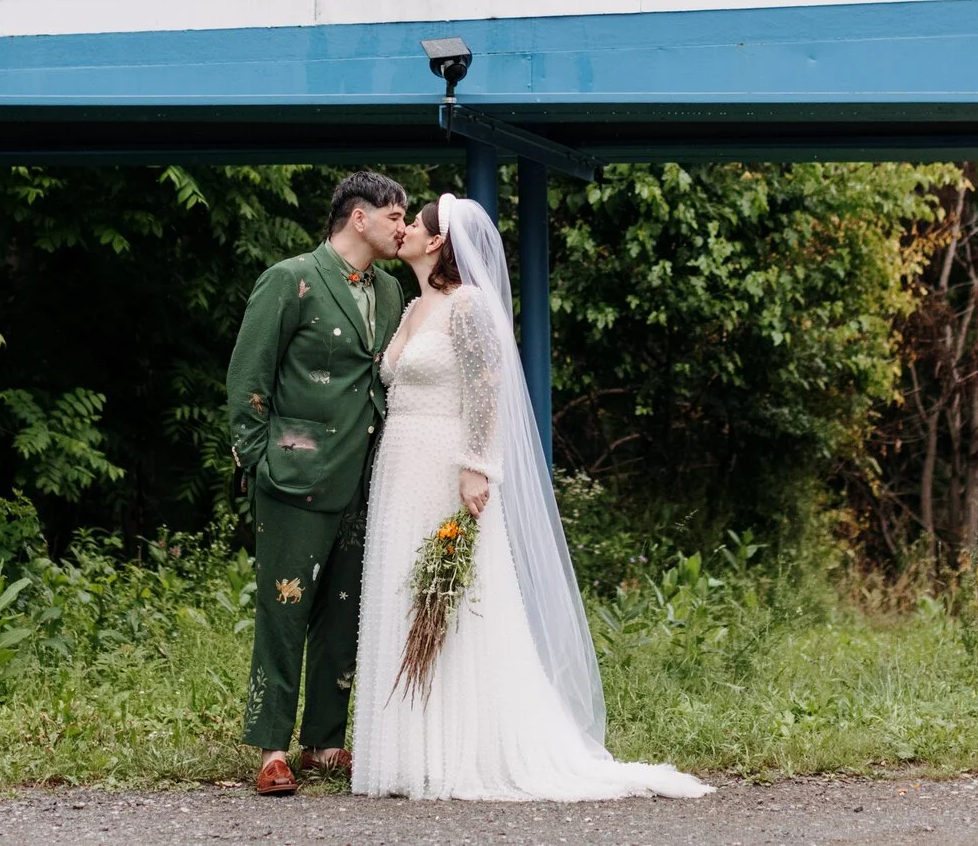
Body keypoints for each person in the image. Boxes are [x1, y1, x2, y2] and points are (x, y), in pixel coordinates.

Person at [352, 193, 712, 802]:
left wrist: (476, 468)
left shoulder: (466, 306)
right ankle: (405, 753)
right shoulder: (415, 306)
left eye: (415, 223)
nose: (405, 228)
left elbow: (487, 390)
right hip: (400, 467)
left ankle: (459, 750)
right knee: (400, 592)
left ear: (438, 241)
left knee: (454, 604)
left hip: (444, 466)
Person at [226, 170, 410, 796]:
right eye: (394, 216)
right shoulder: (290, 279)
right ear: (359, 216)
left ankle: (325, 743)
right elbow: (249, 375)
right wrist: (260, 460)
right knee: (284, 609)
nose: (402, 227)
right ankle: (271, 748)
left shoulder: (390, 292)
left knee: (344, 612)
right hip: (293, 476)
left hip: (366, 479)